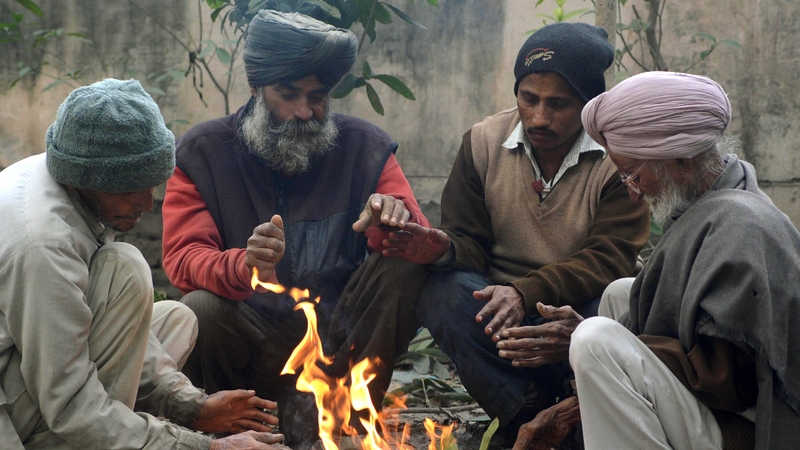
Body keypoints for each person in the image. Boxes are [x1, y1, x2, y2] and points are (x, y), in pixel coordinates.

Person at [161, 10, 430, 446]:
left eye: (318, 97)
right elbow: (183, 258)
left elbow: (419, 238)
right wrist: (245, 265)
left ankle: (352, 424)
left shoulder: (366, 147)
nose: (305, 112)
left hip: (343, 343)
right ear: (256, 87)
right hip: (255, 344)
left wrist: (392, 219)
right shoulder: (202, 153)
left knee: (405, 270)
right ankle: (235, 430)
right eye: (288, 95)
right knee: (199, 309)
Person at [381, 22, 651, 447]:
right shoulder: (483, 142)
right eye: (529, 99)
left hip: (579, 306)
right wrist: (443, 247)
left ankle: (580, 407)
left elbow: (609, 257)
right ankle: (524, 411)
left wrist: (525, 292)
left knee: (613, 306)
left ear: (588, 103)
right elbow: (469, 244)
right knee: (443, 293)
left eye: (558, 104)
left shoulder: (619, 158)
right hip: (500, 309)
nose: (539, 117)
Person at [508, 71, 800, 450]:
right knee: (619, 295)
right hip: (714, 411)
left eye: (633, 173)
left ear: (680, 156)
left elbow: (729, 383)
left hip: (745, 430)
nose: (632, 191)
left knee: (595, 339)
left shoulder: (742, 225)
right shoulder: (723, 194)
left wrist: (590, 344)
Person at [0, 78, 285, 449]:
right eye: (128, 189)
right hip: (15, 410)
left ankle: (121, 431)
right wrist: (206, 446)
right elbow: (68, 404)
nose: (147, 204)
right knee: (127, 269)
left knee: (176, 319)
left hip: (36, 364)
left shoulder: (71, 176)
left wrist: (192, 408)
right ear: (85, 180)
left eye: (151, 184)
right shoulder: (43, 243)